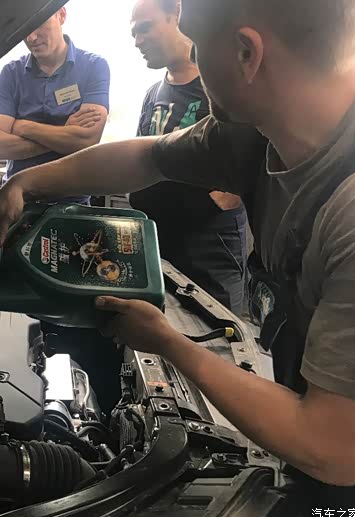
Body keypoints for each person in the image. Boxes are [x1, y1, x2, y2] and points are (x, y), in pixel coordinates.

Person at [0, 0, 355, 517]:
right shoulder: (255, 136)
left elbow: (335, 450)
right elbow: (148, 156)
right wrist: (26, 183)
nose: (194, 61)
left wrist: (167, 342)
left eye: (200, 46)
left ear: (246, 53)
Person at [130, 0, 248, 313]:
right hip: (158, 246)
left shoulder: (220, 88)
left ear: (178, 15)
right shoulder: (153, 94)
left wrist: (220, 199)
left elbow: (251, 156)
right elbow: (141, 158)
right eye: (134, 34)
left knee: (216, 331)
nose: (138, 41)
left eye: (145, 28)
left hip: (208, 251)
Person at [0, 7, 110, 205]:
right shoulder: (11, 73)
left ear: (61, 15)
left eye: (38, 24)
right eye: (24, 30)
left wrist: (24, 127)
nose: (31, 38)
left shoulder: (94, 67)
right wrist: (65, 134)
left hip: (72, 204)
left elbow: (87, 140)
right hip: (18, 201)